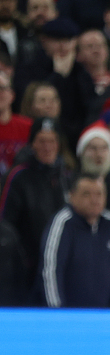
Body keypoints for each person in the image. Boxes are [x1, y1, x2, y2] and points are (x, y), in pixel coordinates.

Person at [38, 174, 110, 308]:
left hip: (103, 315)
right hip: (68, 315)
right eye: (87, 194)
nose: (94, 200)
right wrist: (57, 314)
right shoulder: (62, 223)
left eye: (99, 194)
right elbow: (50, 271)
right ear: (71, 196)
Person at [0, 117, 70, 280]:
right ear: (32, 144)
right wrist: (22, 259)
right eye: (42, 141)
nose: (47, 147)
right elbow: (5, 223)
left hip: (61, 265)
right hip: (28, 268)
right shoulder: (18, 176)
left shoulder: (66, 177)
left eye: (52, 141)